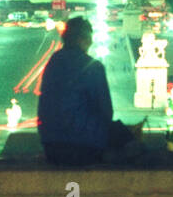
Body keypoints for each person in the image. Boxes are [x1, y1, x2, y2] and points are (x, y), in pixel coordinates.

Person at [38, 16, 142, 166]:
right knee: (125, 137)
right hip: (83, 146)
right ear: (83, 39)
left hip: (51, 146)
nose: (91, 42)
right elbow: (106, 112)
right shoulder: (92, 67)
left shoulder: (53, 62)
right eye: (89, 38)